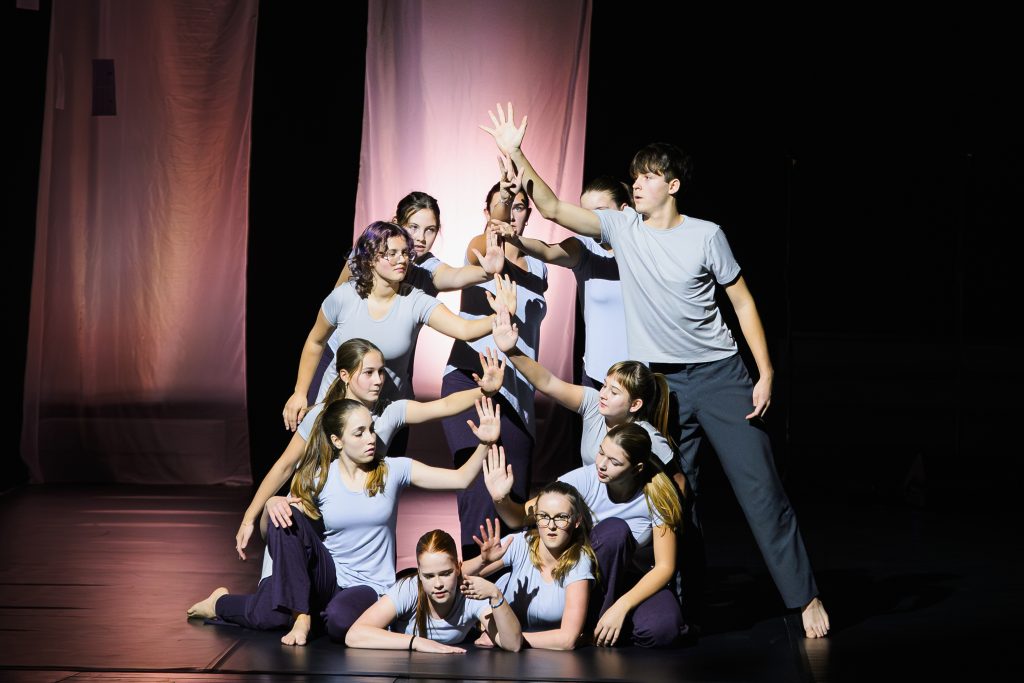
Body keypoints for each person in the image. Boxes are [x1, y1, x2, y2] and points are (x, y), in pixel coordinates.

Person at [480, 103, 829, 638]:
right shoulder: (623, 228)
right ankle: (683, 604)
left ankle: (804, 596)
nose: (637, 184)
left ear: (672, 185)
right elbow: (551, 207)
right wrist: (516, 151)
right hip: (661, 384)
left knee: (759, 490)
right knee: (673, 495)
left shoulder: (706, 235)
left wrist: (764, 372)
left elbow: (743, 303)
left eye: (646, 176)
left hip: (720, 374)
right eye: (635, 176)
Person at [187, 397, 502, 645]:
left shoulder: (393, 470)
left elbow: (461, 478)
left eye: (371, 429)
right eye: (359, 433)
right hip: (327, 576)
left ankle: (290, 611)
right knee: (284, 518)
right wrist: (271, 504)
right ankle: (290, 614)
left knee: (336, 622)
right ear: (337, 441)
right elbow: (277, 535)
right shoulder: (318, 477)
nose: (371, 438)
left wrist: (485, 443)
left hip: (368, 586)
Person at [234, 337, 505, 563]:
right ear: (345, 376)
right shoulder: (321, 415)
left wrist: (484, 391)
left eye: (381, 372)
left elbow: (442, 406)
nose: (378, 380)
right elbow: (284, 466)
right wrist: (249, 518)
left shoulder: (390, 412)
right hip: (309, 517)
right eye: (369, 373)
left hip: (353, 528)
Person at [282, 220, 516, 431]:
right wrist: (300, 393)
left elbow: (464, 329)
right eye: (391, 253)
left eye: (405, 253)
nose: (402, 259)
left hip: (384, 417)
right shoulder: (343, 297)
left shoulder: (415, 301)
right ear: (371, 258)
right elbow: (316, 341)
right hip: (333, 412)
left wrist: (502, 315)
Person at [483, 423, 684, 648]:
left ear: (636, 468)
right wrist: (501, 499)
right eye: (601, 452)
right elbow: (520, 517)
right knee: (615, 531)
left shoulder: (657, 495)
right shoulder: (584, 479)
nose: (602, 464)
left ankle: (605, 630)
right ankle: (590, 625)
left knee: (664, 630)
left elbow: (665, 567)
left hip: (633, 581)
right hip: (594, 579)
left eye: (614, 462)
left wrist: (622, 606)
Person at [440, 182, 548, 559]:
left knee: (512, 491)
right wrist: (504, 196)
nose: (513, 212)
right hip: (470, 377)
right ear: (488, 212)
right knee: (477, 487)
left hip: (517, 388)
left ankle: (509, 578)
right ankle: (473, 574)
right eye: (505, 205)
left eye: (521, 206)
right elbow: (489, 243)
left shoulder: (538, 264)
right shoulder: (480, 248)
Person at [489, 175, 631, 388]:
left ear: (623, 210)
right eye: (585, 213)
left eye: (600, 212)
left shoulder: (644, 246)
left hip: (641, 375)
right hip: (598, 377)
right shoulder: (585, 248)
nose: (591, 220)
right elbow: (548, 251)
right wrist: (516, 239)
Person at [461, 481, 596, 651]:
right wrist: (482, 560)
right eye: (544, 516)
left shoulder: (579, 560)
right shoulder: (521, 543)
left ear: (576, 521)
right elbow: (456, 577)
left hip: (533, 653)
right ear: (535, 517)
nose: (551, 526)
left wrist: (505, 637)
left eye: (561, 517)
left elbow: (567, 639)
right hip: (499, 636)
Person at [345, 529, 522, 653]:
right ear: (419, 574)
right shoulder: (409, 589)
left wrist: (496, 595)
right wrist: (417, 642)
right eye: (429, 576)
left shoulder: (469, 593)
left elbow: (513, 644)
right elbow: (354, 635)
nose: (438, 584)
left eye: (445, 574)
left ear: (458, 568)